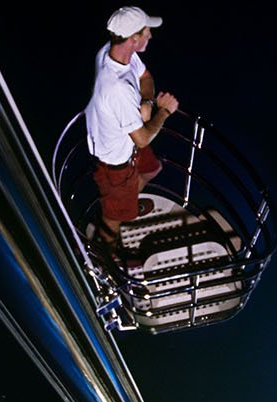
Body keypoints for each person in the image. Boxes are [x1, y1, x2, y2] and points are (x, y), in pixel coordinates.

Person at [86, 7, 180, 266]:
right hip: (116, 163)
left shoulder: (116, 53)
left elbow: (145, 77)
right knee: (114, 218)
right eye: (146, 32)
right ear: (134, 39)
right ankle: (106, 255)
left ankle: (124, 203)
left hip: (127, 144)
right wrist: (164, 111)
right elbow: (142, 139)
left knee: (151, 169)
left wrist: (147, 101)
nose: (150, 35)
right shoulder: (116, 88)